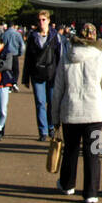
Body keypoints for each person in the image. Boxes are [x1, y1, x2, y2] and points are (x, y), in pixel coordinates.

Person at [51, 22, 102, 203]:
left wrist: (54, 116)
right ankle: (91, 192)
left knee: (70, 150)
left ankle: (67, 184)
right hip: (95, 113)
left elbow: (58, 89)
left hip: (70, 110)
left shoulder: (67, 56)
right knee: (94, 153)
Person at [24, 10, 64, 141]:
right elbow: (28, 58)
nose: (41, 22)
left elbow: (60, 57)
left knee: (52, 102)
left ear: (49, 21)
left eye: (44, 20)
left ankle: (51, 127)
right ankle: (43, 131)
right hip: (37, 74)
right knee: (40, 103)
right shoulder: (32, 36)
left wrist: (61, 76)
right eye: (39, 20)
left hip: (52, 74)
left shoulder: (55, 36)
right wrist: (25, 77)